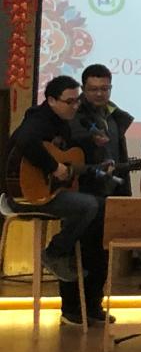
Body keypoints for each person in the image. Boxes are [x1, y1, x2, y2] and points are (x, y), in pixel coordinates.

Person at [4, 75, 112, 326]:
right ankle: (54, 253)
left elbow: (68, 157)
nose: (75, 106)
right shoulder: (39, 119)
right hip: (25, 195)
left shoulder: (63, 124)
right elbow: (26, 141)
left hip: (46, 192)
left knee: (98, 207)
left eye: (77, 101)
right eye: (69, 102)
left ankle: (90, 302)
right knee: (89, 206)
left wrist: (92, 159)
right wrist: (53, 167)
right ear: (51, 100)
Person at [70, 64, 135, 197]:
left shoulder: (115, 116)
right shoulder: (72, 114)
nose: (99, 94)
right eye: (93, 89)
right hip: (83, 191)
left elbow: (119, 155)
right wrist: (90, 139)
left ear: (110, 88)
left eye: (104, 89)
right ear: (83, 89)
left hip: (114, 190)